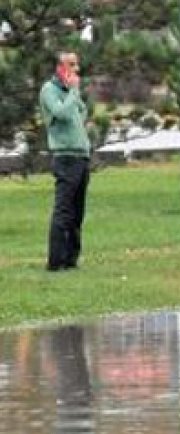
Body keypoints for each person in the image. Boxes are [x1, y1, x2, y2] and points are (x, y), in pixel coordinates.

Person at [41, 51, 92, 272]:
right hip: (65, 157)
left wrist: (74, 93)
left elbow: (82, 111)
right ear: (59, 67)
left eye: (76, 64)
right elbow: (60, 113)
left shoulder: (70, 91)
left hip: (81, 156)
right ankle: (55, 260)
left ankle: (71, 258)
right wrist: (72, 91)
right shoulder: (49, 90)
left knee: (77, 211)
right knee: (63, 210)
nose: (76, 69)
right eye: (71, 64)